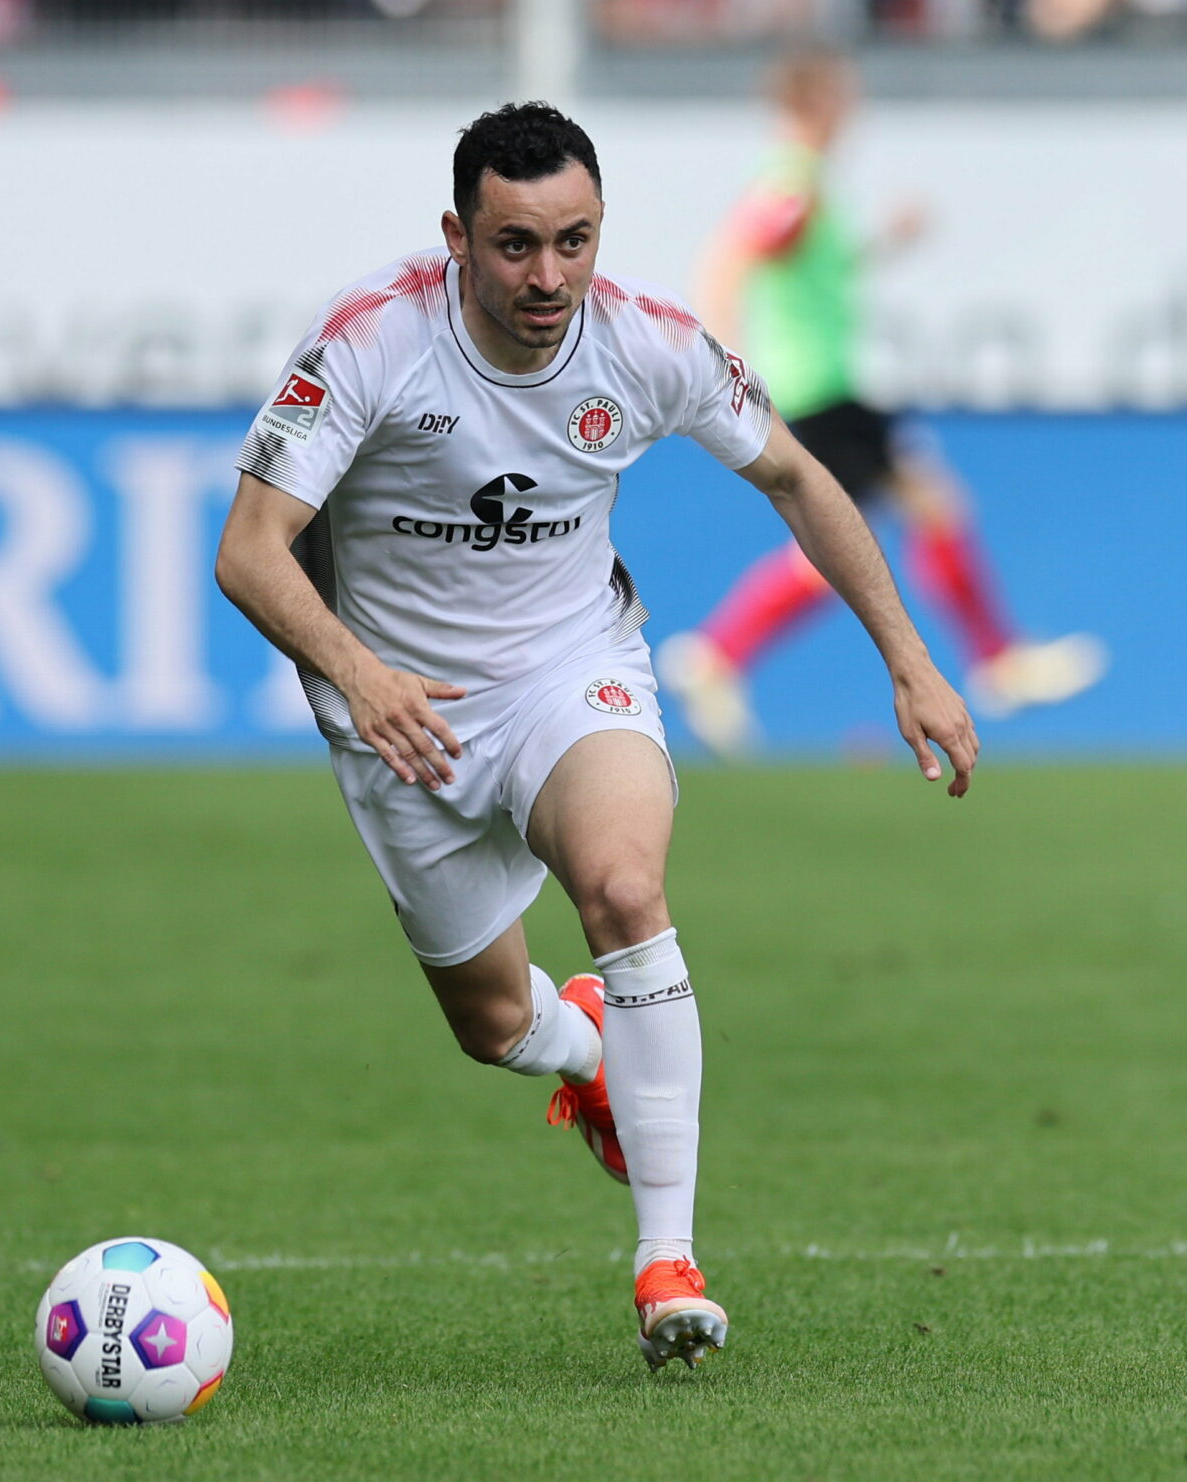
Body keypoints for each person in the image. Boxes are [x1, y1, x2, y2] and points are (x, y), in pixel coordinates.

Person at [213, 103, 979, 1370]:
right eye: (514, 246)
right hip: (401, 720)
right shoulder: (371, 341)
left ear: (600, 229)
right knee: (493, 1025)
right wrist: (360, 672)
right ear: (456, 235)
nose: (547, 277)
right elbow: (249, 552)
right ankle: (590, 1057)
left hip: (571, 673)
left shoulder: (645, 343)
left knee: (625, 886)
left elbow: (794, 473)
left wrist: (907, 659)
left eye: (573, 241)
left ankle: (666, 1263)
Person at [657, 46, 1103, 760]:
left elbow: (804, 272)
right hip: (820, 390)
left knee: (871, 530)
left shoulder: (809, 185)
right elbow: (730, 258)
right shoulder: (793, 182)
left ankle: (721, 654)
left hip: (826, 387)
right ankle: (992, 660)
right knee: (882, 526)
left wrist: (881, 247)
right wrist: (724, 363)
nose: (853, 112)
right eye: (843, 97)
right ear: (815, 103)